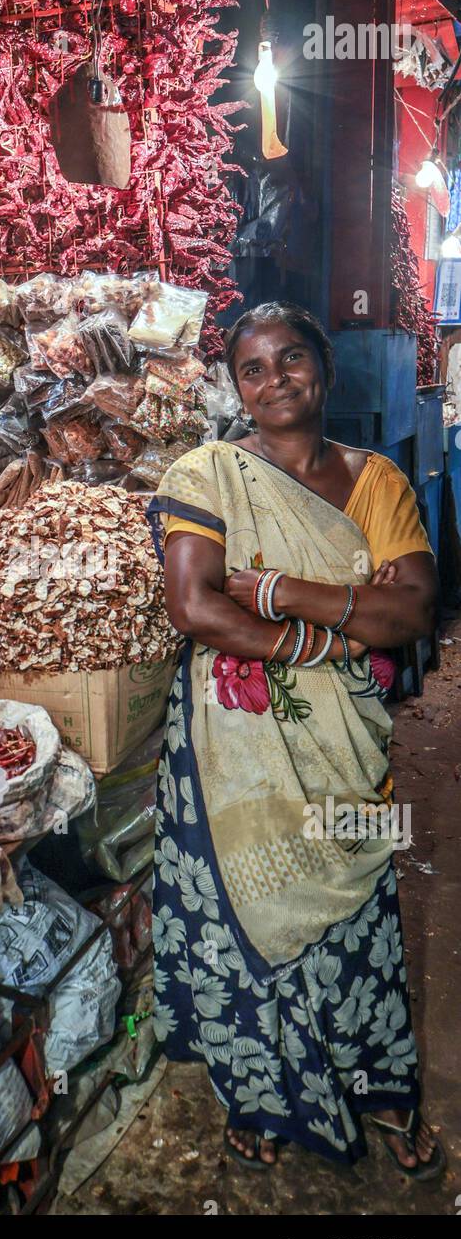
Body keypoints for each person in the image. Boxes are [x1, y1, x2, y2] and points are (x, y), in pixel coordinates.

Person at [146, 302, 446, 1178]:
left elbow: (415, 609)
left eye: (292, 360)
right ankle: (265, 1096)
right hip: (233, 742)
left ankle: (383, 1086)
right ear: (234, 385)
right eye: (253, 368)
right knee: (243, 919)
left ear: (327, 367)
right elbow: (196, 605)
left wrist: (277, 592)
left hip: (349, 741)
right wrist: (341, 626)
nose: (274, 380)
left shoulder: (376, 481)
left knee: (363, 912)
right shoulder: (205, 472)